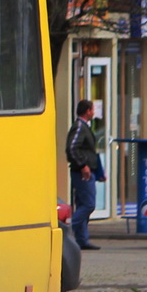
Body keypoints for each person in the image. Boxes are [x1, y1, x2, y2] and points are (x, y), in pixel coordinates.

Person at [66, 99, 104, 250]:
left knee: (82, 203)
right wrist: (83, 165)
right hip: (82, 172)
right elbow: (72, 148)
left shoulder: (85, 127)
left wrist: (99, 171)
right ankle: (67, 229)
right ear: (87, 111)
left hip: (89, 170)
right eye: (92, 109)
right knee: (88, 204)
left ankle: (82, 240)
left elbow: (90, 151)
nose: (94, 112)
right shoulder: (79, 127)